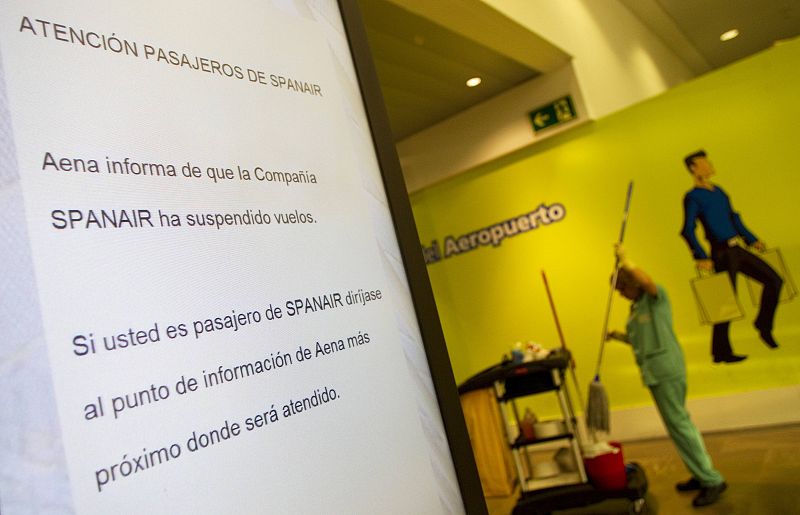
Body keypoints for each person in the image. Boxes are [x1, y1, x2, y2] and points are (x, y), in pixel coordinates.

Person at [608, 244, 727, 508]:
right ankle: (701, 473)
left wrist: (627, 262)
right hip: (655, 373)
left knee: (680, 426)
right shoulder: (637, 309)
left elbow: (647, 281)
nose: (621, 295)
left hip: (666, 370)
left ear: (633, 284)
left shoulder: (655, 298)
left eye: (622, 289)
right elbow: (641, 340)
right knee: (678, 426)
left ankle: (712, 479)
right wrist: (618, 336)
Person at [680, 149, 783, 363]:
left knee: (774, 280)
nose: (709, 165)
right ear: (693, 169)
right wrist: (701, 256)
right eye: (704, 163)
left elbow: (734, 218)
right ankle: (721, 352)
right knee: (725, 303)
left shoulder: (720, 192)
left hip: (738, 248)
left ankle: (763, 325)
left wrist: (752, 239)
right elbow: (688, 229)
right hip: (721, 253)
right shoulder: (693, 197)